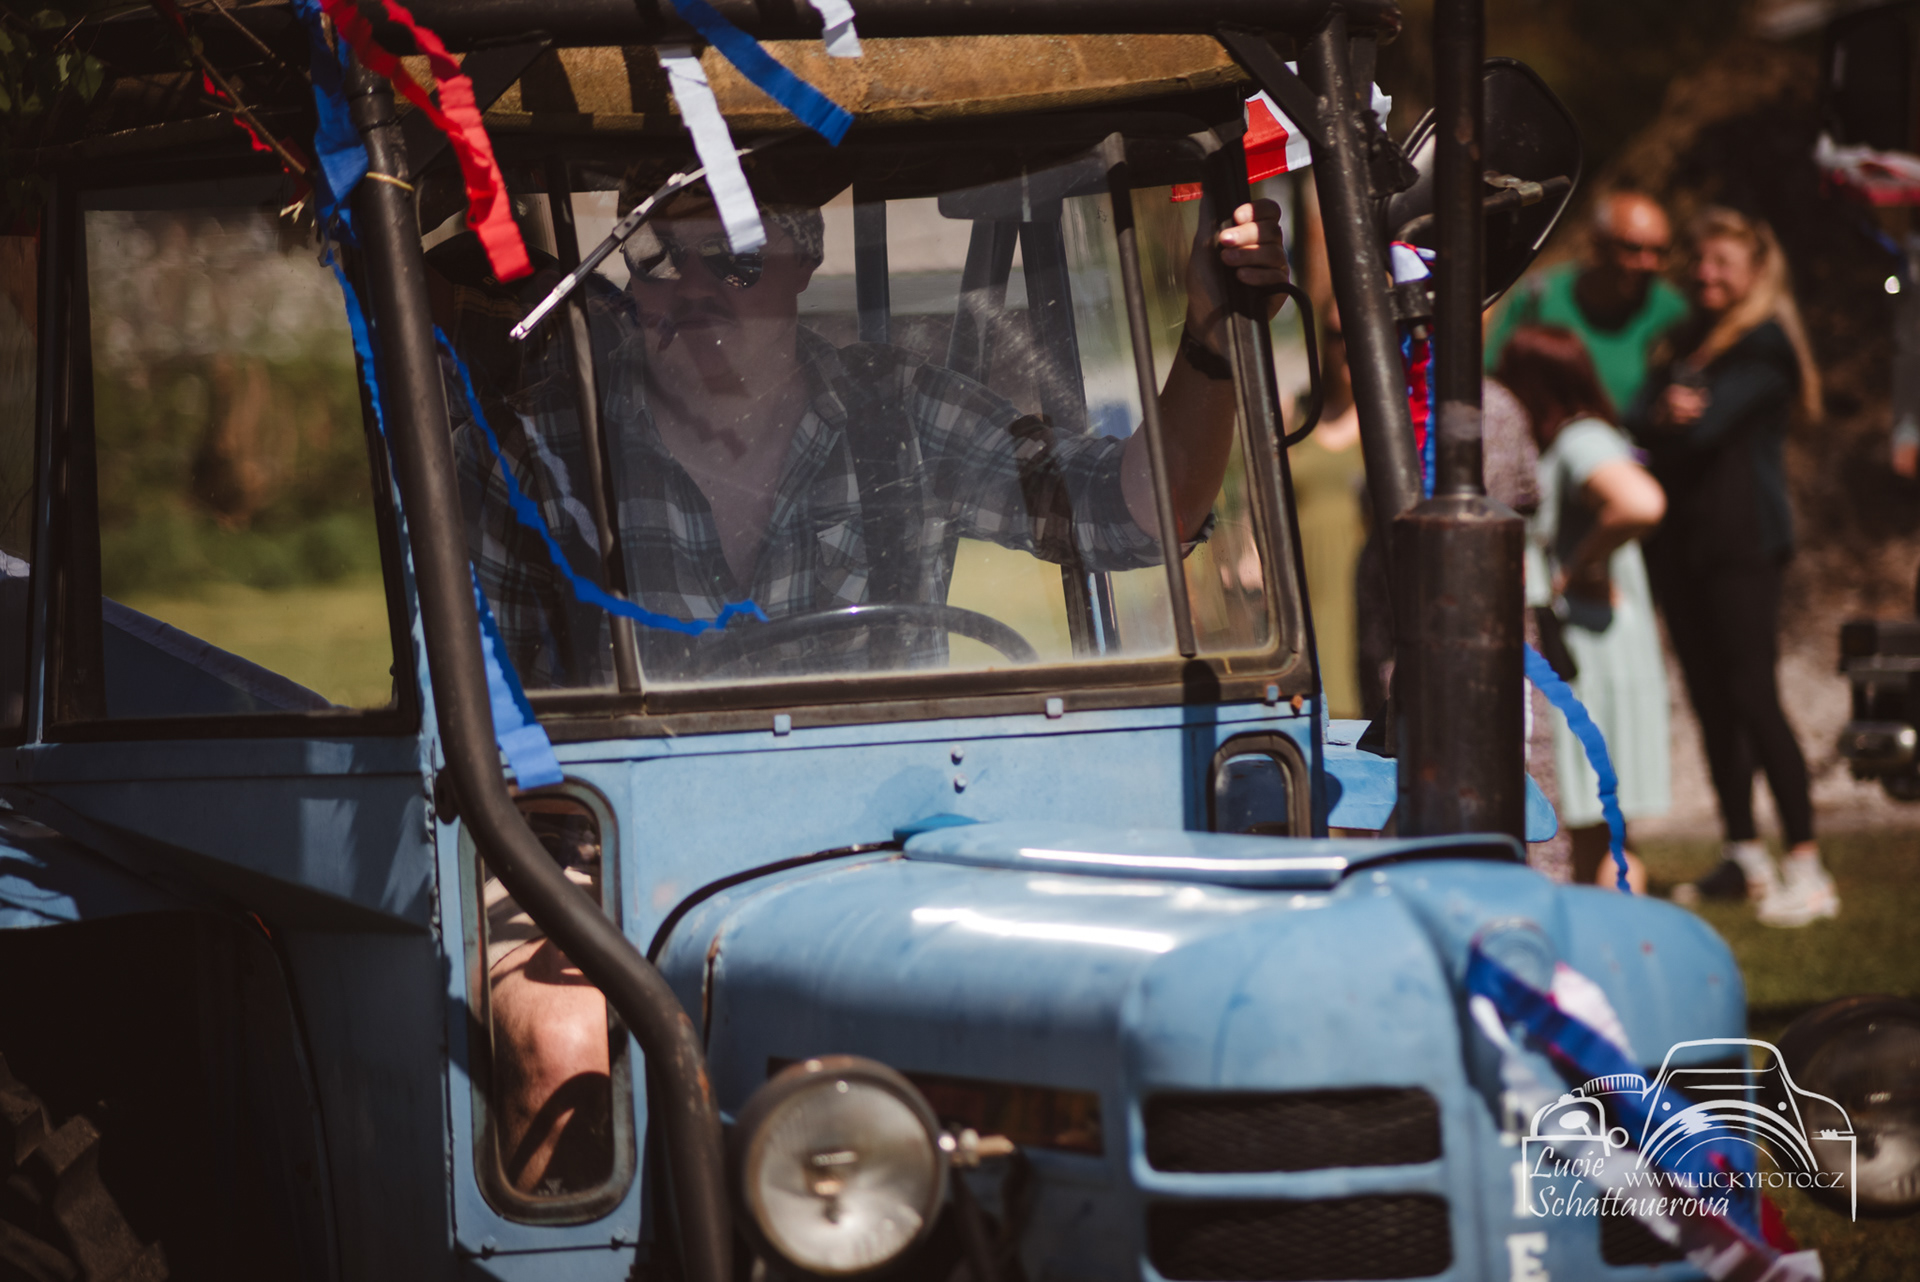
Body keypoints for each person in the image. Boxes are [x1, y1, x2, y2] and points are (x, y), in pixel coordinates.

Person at [450, 164, 1293, 1191]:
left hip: (879, 836)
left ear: (802, 263)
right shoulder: (542, 442)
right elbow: (483, 716)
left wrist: (1208, 344)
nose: (697, 291)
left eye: (737, 264)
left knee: (1074, 1011)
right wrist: (565, 870)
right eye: (662, 263)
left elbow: (1133, 513)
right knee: (561, 1037)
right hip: (610, 848)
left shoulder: (896, 411)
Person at [1631, 207, 1836, 927]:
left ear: (1755, 271)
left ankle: (1807, 864)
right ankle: (1743, 854)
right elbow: (1638, 415)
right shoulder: (1685, 340)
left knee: (1753, 694)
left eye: (1722, 262)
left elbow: (1706, 425)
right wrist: (1663, 413)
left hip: (1743, 544)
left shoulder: (1765, 345)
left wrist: (1667, 415)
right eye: (1700, 261)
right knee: (1710, 701)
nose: (1706, 274)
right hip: (1682, 543)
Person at [1499, 325, 1670, 893]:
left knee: (1601, 827)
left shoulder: (1581, 440)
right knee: (1596, 829)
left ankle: (1620, 936)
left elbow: (1641, 503)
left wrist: (1578, 565)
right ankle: (1613, 936)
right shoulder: (1581, 438)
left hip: (1592, 659)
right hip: (1589, 653)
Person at [1486, 191, 1689, 416]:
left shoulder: (1673, 312)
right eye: (1633, 248)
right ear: (1598, 244)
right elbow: (1492, 374)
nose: (1649, 263)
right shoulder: (1538, 295)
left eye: (1660, 252)